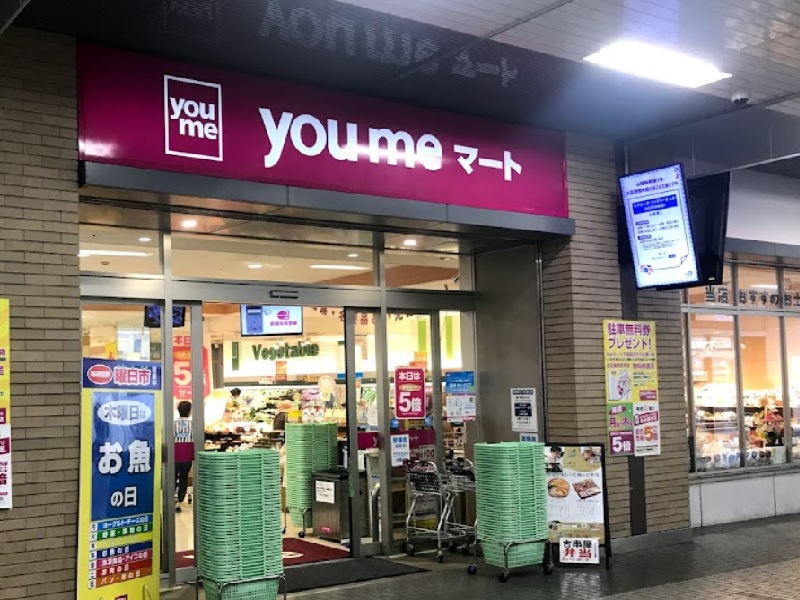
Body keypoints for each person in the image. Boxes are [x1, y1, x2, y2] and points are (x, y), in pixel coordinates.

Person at [174, 400, 194, 512]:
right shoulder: (193, 424)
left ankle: (173, 497)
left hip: (174, 453)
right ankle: (180, 498)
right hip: (187, 453)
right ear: (189, 411)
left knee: (173, 476)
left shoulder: (173, 423)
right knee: (183, 477)